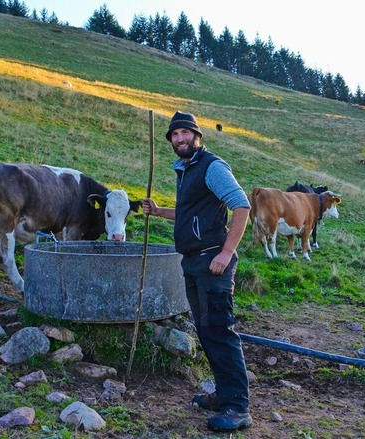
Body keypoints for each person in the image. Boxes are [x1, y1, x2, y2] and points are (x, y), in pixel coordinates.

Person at [141, 111, 252, 432]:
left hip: (212, 262)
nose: (179, 139)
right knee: (205, 331)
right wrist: (159, 211)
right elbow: (191, 213)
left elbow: (241, 206)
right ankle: (224, 394)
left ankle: (238, 407)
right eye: (174, 135)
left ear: (197, 136)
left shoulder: (211, 166)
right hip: (193, 261)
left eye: (185, 133)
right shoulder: (186, 170)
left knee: (219, 329)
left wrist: (227, 251)